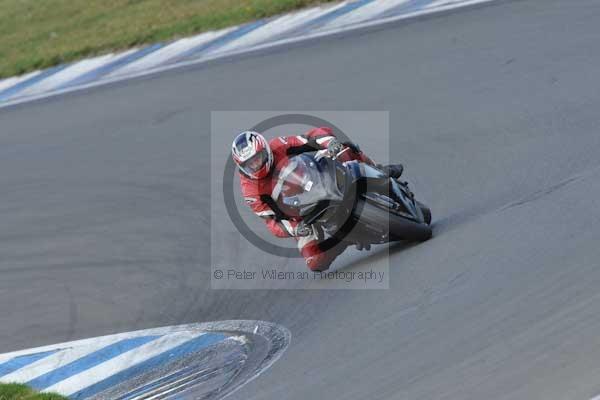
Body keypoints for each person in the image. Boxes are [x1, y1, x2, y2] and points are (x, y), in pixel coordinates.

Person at [231, 127, 404, 271]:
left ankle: (378, 170)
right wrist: (295, 229)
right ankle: (345, 239)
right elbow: (270, 222)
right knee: (315, 261)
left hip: (317, 176)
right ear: (241, 166)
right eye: (250, 164)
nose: (256, 165)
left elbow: (309, 138)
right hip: (301, 214)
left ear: (265, 150)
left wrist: (329, 143)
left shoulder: (278, 145)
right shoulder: (251, 191)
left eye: (258, 158)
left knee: (345, 149)